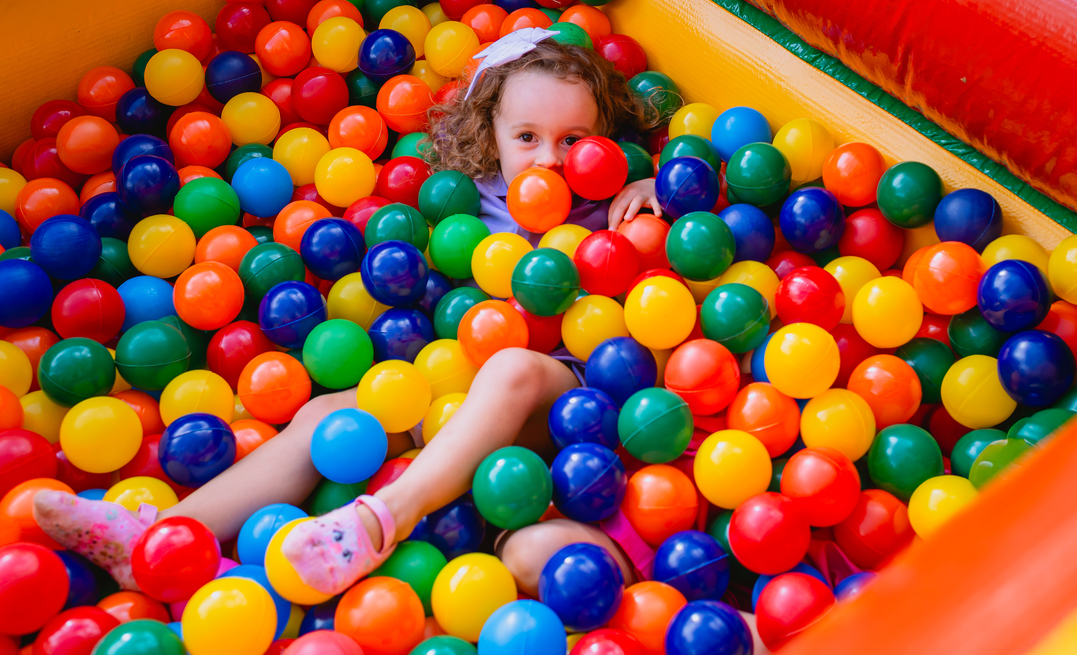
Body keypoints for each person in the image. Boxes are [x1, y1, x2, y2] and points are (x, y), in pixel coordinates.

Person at [33, 33, 670, 600]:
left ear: (605, 144)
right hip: (452, 391)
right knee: (327, 419)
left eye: (573, 141)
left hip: (564, 399)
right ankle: (160, 540)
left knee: (511, 368)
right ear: (492, 133)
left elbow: (690, 199)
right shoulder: (466, 200)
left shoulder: (614, 208)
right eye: (527, 138)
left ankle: (377, 522)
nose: (549, 159)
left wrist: (654, 187)